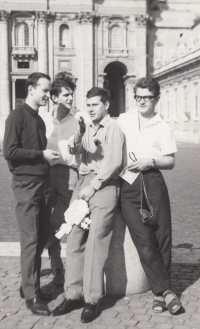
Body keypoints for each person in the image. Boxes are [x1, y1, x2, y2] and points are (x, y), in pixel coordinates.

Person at [52, 87, 124, 322]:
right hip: (83, 186)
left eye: (95, 104)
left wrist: (92, 185)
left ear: (106, 105)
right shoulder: (87, 126)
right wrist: (78, 133)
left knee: (95, 243)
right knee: (74, 238)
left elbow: (113, 162)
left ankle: (91, 301)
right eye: (89, 105)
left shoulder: (113, 128)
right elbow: (74, 151)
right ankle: (72, 294)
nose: (91, 108)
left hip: (102, 188)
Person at [117, 77, 182, 315]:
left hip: (153, 180)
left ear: (156, 99)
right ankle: (166, 291)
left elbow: (171, 161)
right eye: (138, 97)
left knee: (161, 236)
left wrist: (150, 160)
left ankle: (158, 293)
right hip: (128, 185)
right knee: (143, 240)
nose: (142, 102)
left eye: (147, 97)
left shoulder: (162, 126)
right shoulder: (123, 120)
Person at [3, 72, 60, 316]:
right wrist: (41, 155)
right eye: (45, 90)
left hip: (42, 183)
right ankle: (31, 296)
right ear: (31, 89)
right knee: (30, 241)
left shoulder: (38, 120)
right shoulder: (17, 116)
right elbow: (9, 151)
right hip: (26, 185)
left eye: (49, 91)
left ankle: (30, 285)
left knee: (40, 238)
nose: (48, 95)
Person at [41, 74, 80, 286]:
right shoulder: (44, 119)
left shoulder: (79, 119)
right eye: (66, 95)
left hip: (70, 175)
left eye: (72, 94)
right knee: (46, 218)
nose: (71, 98)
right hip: (47, 175)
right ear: (54, 98)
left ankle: (43, 248)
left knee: (64, 220)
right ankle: (57, 267)